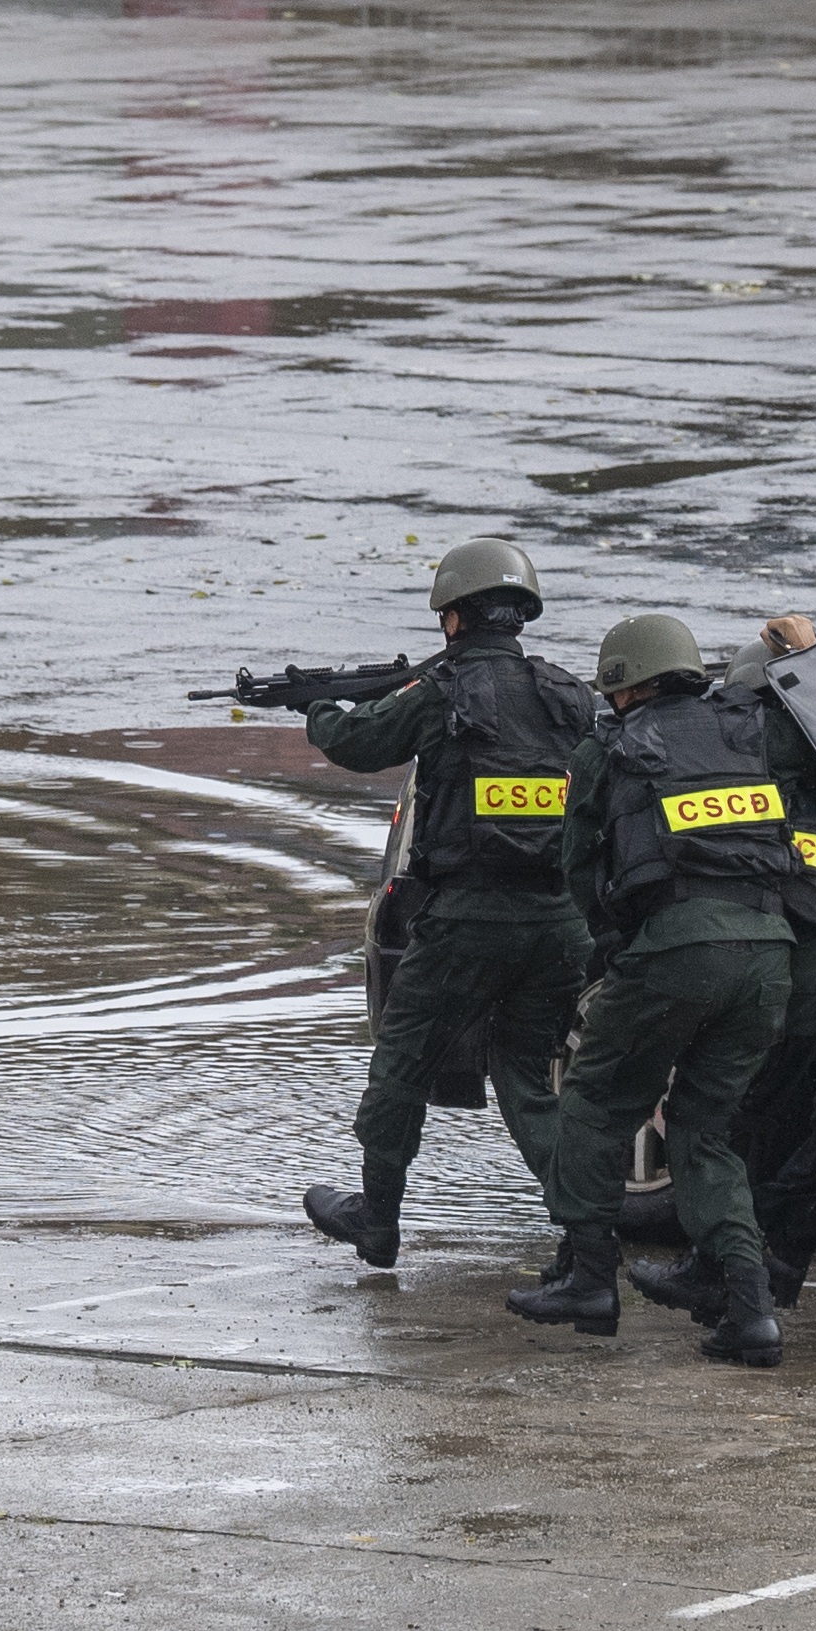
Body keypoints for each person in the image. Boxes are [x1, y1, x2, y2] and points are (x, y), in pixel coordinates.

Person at [296, 536, 597, 1278]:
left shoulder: (444, 690)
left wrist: (317, 708)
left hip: (466, 919)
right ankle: (590, 1236)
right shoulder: (568, 695)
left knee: (402, 1063)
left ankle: (378, 1221)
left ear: (454, 618)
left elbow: (359, 743)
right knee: (528, 1079)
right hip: (560, 923)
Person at [515, 612, 797, 1359]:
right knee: (704, 1128)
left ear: (624, 688)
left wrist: (615, 942)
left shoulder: (610, 745)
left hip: (676, 948)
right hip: (770, 951)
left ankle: (590, 1278)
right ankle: (751, 1308)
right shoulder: (748, 729)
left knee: (594, 1101)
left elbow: (578, 866)